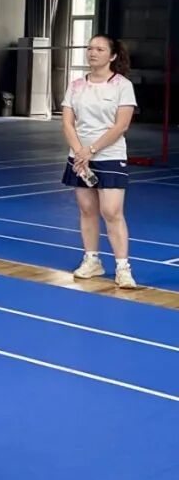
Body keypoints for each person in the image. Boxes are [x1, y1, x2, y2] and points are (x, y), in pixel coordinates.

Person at [62, 34, 138, 289]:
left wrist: (91, 150)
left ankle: (123, 268)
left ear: (113, 56)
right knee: (87, 209)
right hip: (80, 157)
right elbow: (68, 123)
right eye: (90, 48)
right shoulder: (75, 85)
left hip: (109, 156)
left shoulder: (122, 85)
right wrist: (79, 153)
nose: (92, 53)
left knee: (112, 211)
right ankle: (92, 260)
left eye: (99, 49)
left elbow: (121, 125)